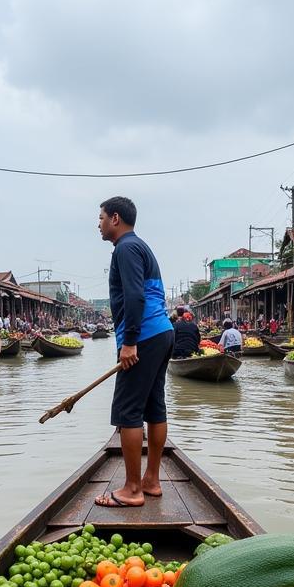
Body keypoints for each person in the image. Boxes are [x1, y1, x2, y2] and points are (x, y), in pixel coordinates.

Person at [96, 196, 174, 509]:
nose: (98, 224)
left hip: (144, 335)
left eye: (100, 217)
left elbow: (134, 296)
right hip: (161, 332)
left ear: (115, 218)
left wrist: (129, 342)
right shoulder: (140, 246)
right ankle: (151, 481)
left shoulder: (126, 248)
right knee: (154, 406)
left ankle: (132, 489)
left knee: (127, 411)